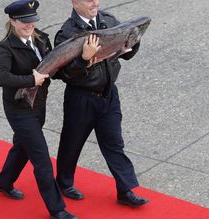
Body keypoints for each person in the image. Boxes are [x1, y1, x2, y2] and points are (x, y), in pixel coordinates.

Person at [0, 0, 83, 219]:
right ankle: (57, 209)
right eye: (24, 21)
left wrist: (84, 59)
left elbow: (55, 65)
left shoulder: (41, 38)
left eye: (32, 20)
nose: (29, 25)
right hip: (19, 110)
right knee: (41, 158)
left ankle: (3, 183)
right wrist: (30, 79)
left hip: (38, 105)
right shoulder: (5, 48)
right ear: (12, 21)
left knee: (23, 147)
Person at [54, 0, 149, 207]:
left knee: (114, 143)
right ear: (74, 2)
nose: (95, 2)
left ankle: (125, 190)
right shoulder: (66, 32)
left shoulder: (108, 20)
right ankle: (64, 183)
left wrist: (135, 41)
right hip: (81, 98)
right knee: (72, 143)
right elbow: (64, 74)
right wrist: (83, 59)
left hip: (108, 94)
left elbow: (126, 53)